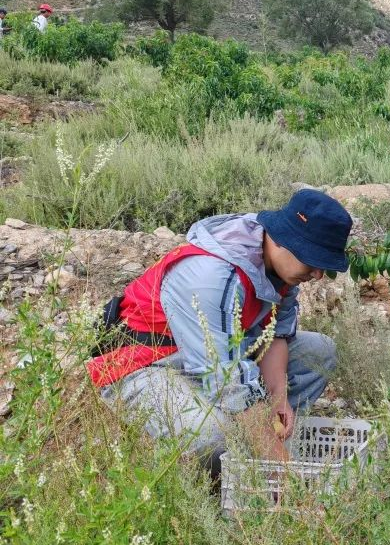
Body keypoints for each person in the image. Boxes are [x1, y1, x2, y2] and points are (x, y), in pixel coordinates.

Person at [87, 190, 351, 465]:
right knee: (211, 435)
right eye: (312, 260)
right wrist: (284, 474)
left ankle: (259, 439)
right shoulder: (211, 276)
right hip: (145, 365)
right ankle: (236, 455)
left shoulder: (281, 268)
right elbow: (226, 380)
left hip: (215, 356)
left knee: (318, 352)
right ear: (281, 239)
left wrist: (277, 398)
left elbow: (275, 335)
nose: (318, 274)